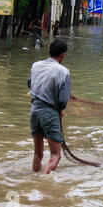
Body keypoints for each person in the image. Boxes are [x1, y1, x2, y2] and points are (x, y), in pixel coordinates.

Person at [28, 39, 71, 174]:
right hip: (49, 113)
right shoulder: (64, 72)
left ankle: (33, 180)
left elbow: (30, 83)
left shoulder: (36, 65)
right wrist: (59, 112)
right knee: (55, 155)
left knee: (38, 154)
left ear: (48, 51)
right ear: (63, 55)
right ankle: (43, 186)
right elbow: (63, 101)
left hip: (34, 111)